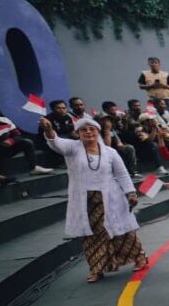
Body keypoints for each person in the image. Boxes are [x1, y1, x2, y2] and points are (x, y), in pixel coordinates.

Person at [40, 116, 146, 282]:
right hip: (86, 201)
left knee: (122, 230)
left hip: (111, 198)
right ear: (78, 133)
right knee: (92, 235)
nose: (88, 132)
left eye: (92, 129)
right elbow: (55, 142)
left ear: (98, 132)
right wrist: (48, 129)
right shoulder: (73, 148)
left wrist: (131, 193)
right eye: (84, 130)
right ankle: (97, 268)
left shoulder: (110, 152)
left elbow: (122, 174)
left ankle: (139, 257)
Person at [0, 102, 52, 182]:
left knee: (27, 142)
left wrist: (11, 140)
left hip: (5, 149)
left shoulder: (5, 120)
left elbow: (18, 135)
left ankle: (33, 168)